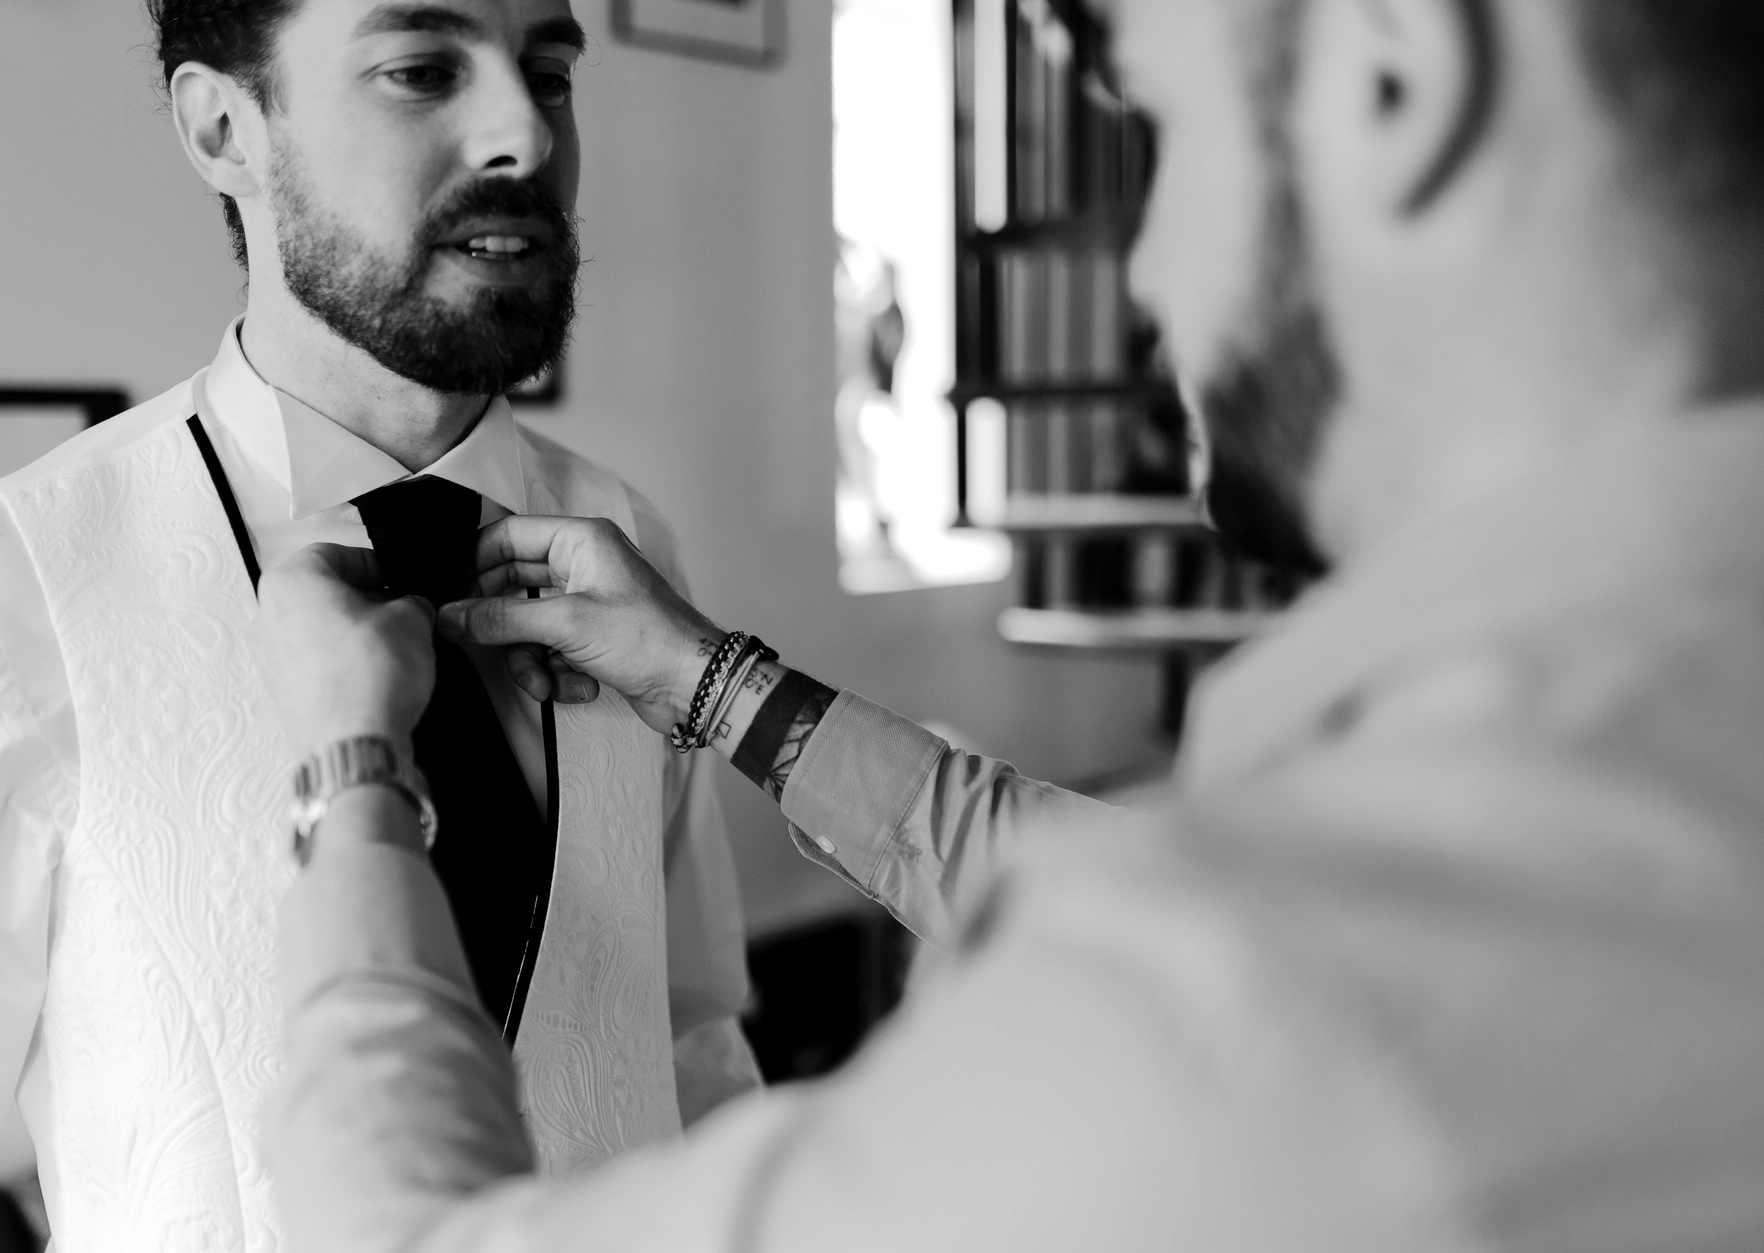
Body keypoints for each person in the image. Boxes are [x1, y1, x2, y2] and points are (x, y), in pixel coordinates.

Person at [261, 0, 1764, 1247]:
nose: (1151, 272)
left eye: (1162, 129)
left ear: (1395, 81)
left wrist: (351, 773)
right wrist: (722, 690)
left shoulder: (1281, 1002)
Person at [0, 2, 759, 1249]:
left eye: (550, 70)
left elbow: (691, 1036)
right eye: (420, 70)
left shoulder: (630, 547)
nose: (524, 129)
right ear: (223, 125)